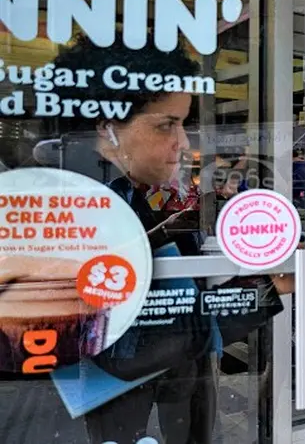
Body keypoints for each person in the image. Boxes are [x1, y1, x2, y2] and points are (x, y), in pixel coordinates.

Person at [44, 32, 291, 443]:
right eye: (167, 125)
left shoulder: (107, 187)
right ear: (108, 127)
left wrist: (175, 225)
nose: (182, 143)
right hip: (130, 386)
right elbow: (132, 350)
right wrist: (274, 284)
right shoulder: (93, 203)